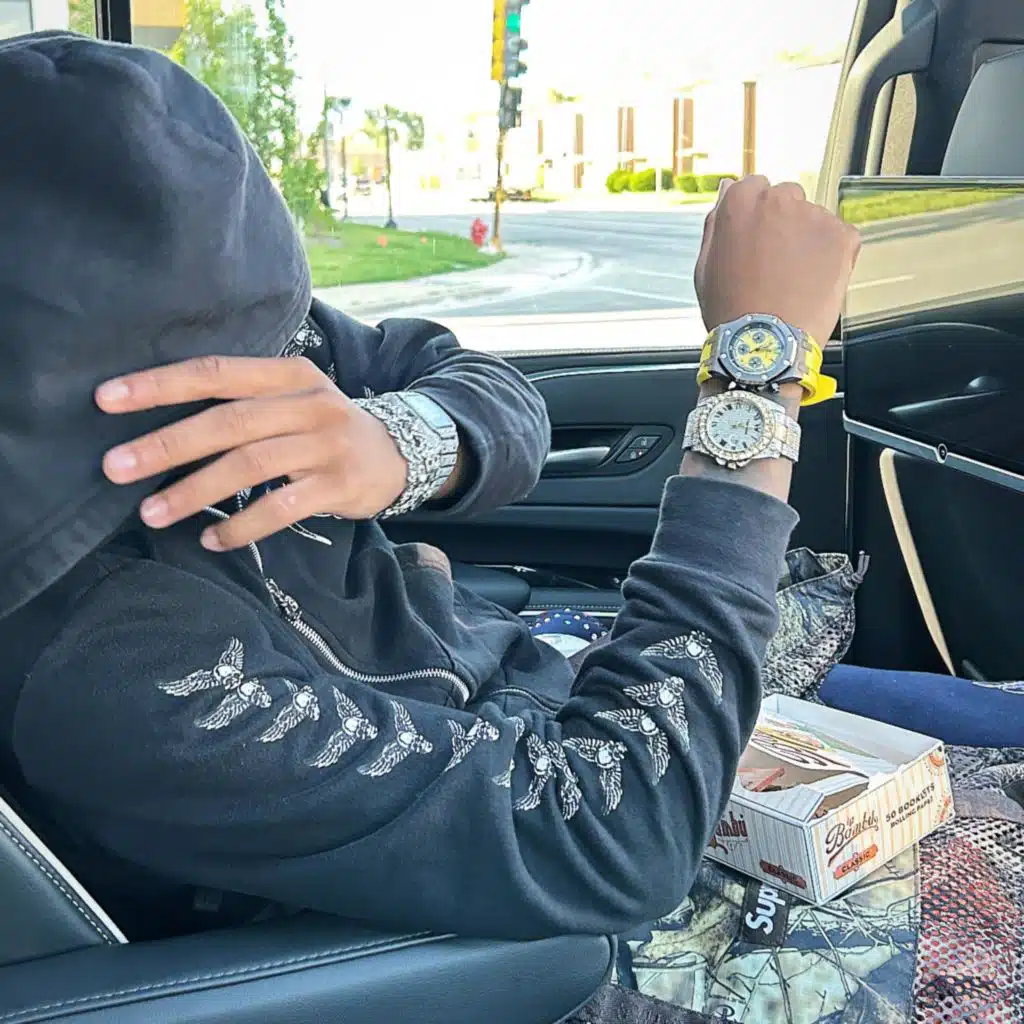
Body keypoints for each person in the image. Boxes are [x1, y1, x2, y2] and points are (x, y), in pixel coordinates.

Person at [0, 33, 859, 942]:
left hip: (534, 696)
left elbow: (485, 388)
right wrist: (756, 376)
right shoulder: (112, 672)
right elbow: (615, 837)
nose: (285, 354)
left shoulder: (210, 342)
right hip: (538, 909)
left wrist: (400, 442)